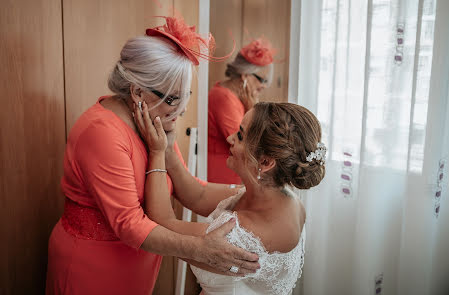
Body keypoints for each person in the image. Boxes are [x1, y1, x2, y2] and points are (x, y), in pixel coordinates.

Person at [45, 15, 259, 295]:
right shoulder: (102, 133)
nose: (181, 110)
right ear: (137, 92)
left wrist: (254, 195)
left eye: (186, 96)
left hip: (140, 261)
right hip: (94, 263)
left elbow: (190, 188)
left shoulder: (155, 122)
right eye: (173, 99)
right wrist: (201, 249)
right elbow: (128, 223)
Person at [136, 101, 326, 294]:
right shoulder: (277, 196)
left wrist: (157, 152)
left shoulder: (246, 234)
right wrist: (167, 147)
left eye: (240, 136)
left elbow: (161, 224)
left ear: (266, 162)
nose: (229, 138)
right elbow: (198, 195)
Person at [208, 38, 275, 184]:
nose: (264, 86)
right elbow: (249, 143)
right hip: (222, 176)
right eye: (261, 80)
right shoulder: (224, 98)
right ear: (245, 75)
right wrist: (253, 108)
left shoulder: (233, 96)